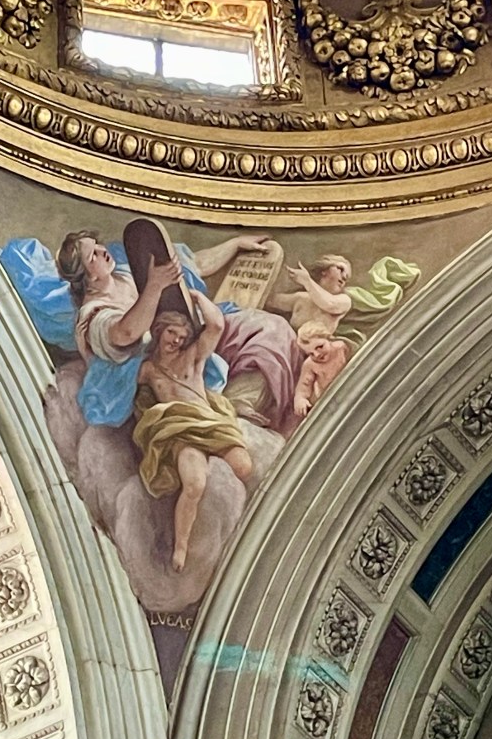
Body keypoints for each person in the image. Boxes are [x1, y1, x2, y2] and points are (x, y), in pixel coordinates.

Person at [54, 227, 302, 432]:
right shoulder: (93, 315)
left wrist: (235, 244)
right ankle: (232, 409)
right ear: (87, 276)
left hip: (188, 335)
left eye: (98, 245)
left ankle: (241, 399)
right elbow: (125, 333)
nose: (102, 251)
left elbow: (193, 265)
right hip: (163, 367)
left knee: (273, 329)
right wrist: (154, 286)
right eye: (93, 256)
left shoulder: (124, 274)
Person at [133, 290, 252, 571]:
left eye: (182, 337)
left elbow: (216, 326)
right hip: (180, 432)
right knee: (195, 484)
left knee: (244, 467)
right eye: (171, 333)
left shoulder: (192, 357)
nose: (176, 340)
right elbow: (121, 379)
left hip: (209, 424)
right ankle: (181, 547)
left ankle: (239, 530)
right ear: (159, 331)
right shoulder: (148, 369)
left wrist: (197, 296)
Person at [267, 253, 353, 333]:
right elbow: (268, 301)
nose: (344, 277)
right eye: (340, 269)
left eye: (347, 277)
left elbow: (330, 304)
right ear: (324, 271)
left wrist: (306, 281)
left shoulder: (344, 301)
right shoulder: (301, 297)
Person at [292, 321, 353, 417]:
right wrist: (300, 399)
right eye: (311, 354)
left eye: (319, 347)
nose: (317, 354)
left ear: (328, 338)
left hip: (352, 387)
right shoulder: (310, 364)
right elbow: (303, 386)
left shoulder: (342, 347)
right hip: (330, 400)